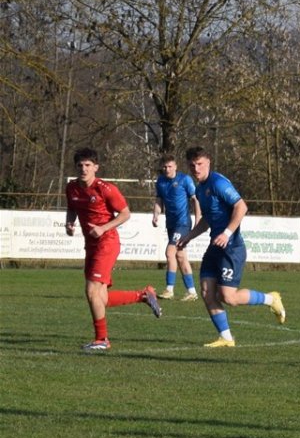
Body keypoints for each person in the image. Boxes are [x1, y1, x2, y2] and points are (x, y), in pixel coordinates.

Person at [176, 147, 286, 347]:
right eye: (192, 165)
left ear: (208, 161)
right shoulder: (199, 189)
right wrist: (189, 236)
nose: (196, 168)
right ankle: (226, 338)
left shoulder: (218, 182)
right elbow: (208, 219)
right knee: (207, 293)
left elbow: (241, 206)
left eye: (199, 164)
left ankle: (271, 299)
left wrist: (227, 233)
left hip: (231, 247)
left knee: (229, 297)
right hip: (215, 246)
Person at [64, 147, 161, 351]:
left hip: (107, 243)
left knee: (91, 291)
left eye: (88, 165)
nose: (84, 169)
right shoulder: (71, 188)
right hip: (90, 246)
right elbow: (72, 207)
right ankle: (143, 295)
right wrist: (69, 223)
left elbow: (125, 213)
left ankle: (102, 339)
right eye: (80, 165)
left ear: (96, 167)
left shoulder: (105, 188)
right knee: (101, 298)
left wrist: (103, 228)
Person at [151, 154, 200, 301]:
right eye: (164, 167)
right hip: (171, 224)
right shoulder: (160, 181)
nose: (167, 169)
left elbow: (195, 200)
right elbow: (159, 200)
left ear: (176, 166)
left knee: (170, 252)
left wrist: (198, 220)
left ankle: (169, 289)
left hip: (183, 223)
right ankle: (192, 292)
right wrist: (156, 214)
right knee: (180, 256)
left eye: (170, 166)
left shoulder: (185, 180)